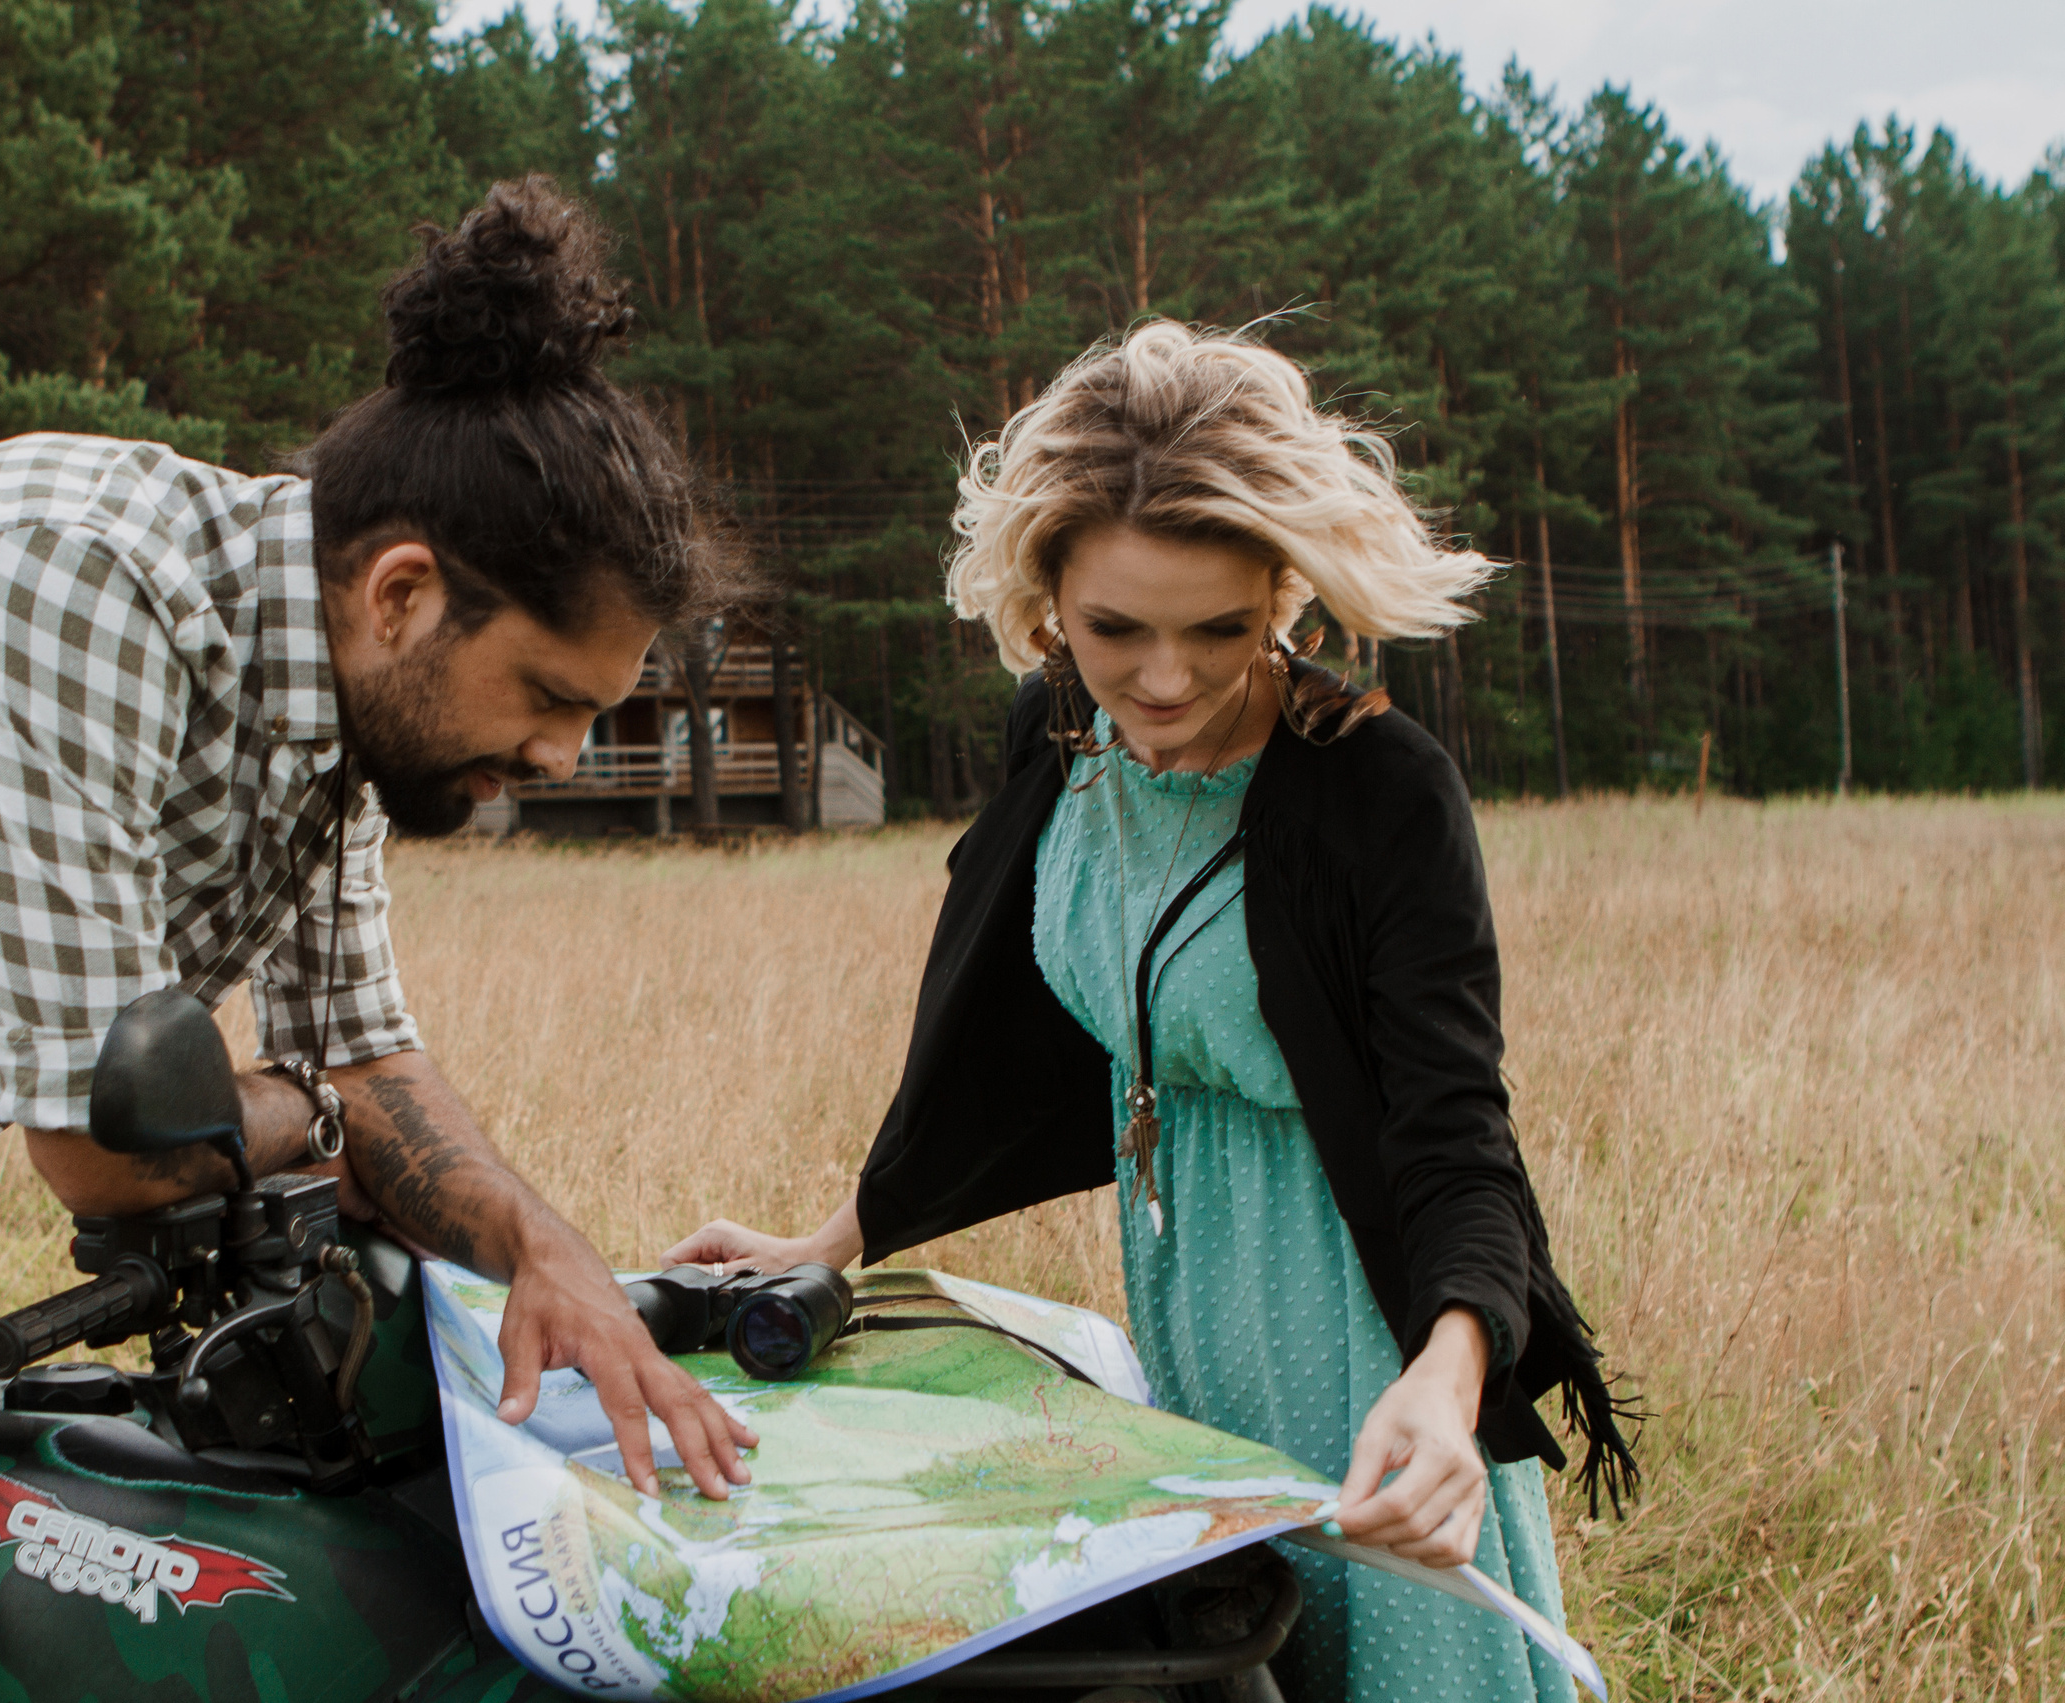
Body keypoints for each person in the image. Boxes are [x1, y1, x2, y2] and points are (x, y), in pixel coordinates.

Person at [0, 177, 757, 1703]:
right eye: (552, 697)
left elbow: (358, 1050)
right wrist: (313, 1115)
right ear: (404, 594)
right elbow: (110, 1149)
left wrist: (551, 1260)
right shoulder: (78, 593)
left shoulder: (335, 714)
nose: (564, 754)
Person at [669, 322, 1636, 1700]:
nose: (1167, 682)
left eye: (1222, 631)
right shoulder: (1057, 738)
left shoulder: (1378, 794)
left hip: (1358, 1314)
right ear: (1045, 594)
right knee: (1223, 1658)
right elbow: (992, 1037)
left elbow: (1454, 1126)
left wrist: (1447, 1367)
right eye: (1118, 627)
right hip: (1185, 1287)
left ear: (1287, 598)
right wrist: (835, 1242)